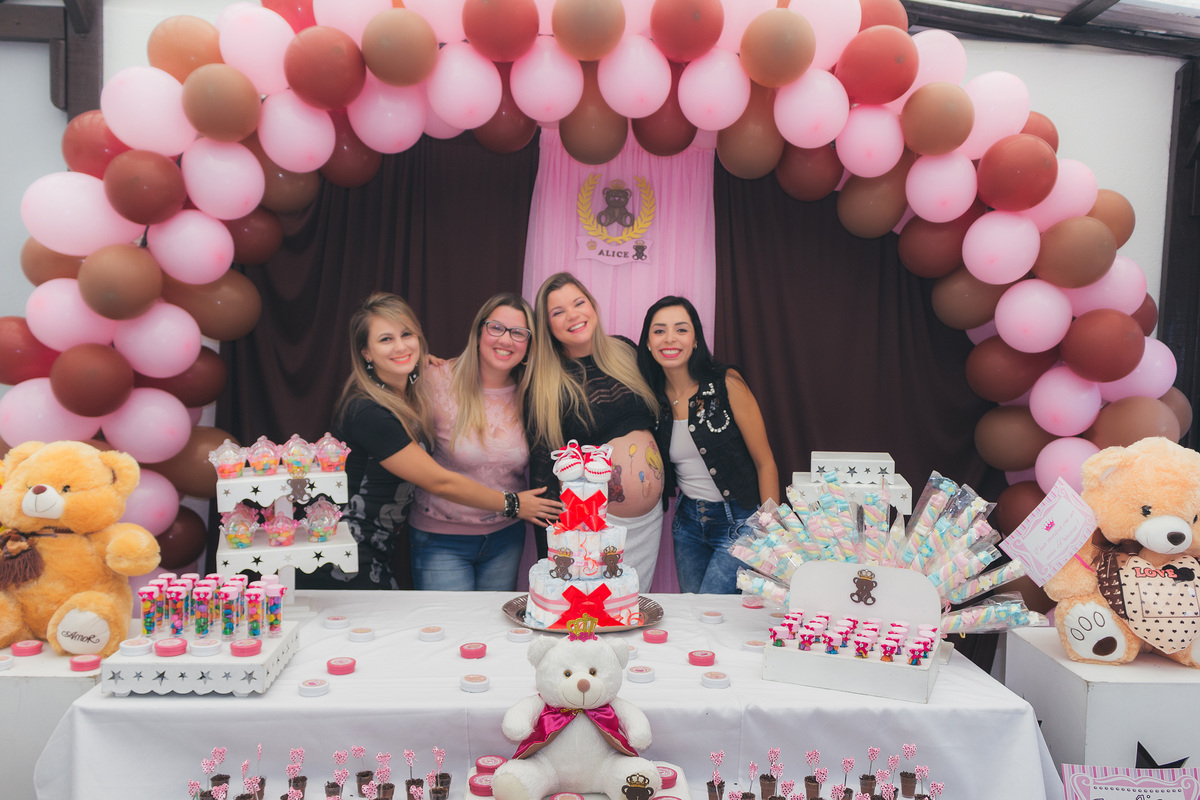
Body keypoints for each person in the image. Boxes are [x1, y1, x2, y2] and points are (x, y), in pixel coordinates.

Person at [301, 292, 559, 590]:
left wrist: (413, 364)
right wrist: (513, 504)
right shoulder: (368, 409)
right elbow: (439, 482)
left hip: (392, 547)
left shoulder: (410, 389)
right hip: (350, 549)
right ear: (365, 352)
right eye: (385, 339)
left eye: (406, 334)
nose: (400, 346)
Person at [526, 272, 665, 592]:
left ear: (593, 306)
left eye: (579, 302)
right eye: (558, 312)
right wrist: (554, 553)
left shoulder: (627, 352)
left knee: (631, 611)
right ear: (547, 326)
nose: (573, 314)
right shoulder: (546, 382)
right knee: (588, 614)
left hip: (648, 521)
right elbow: (542, 467)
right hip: (592, 526)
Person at [637, 295, 778, 594]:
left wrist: (769, 530)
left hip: (740, 521)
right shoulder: (652, 398)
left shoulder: (726, 384)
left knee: (711, 612)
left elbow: (765, 462)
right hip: (687, 524)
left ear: (696, 339)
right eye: (659, 330)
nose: (670, 338)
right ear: (648, 342)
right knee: (692, 614)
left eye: (681, 329)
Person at [408, 293, 540, 591]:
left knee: (494, 634)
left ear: (529, 345)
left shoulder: (531, 395)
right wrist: (414, 368)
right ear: (479, 332)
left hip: (506, 538)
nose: (506, 340)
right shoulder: (436, 379)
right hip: (440, 538)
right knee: (449, 635)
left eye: (518, 333)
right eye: (496, 327)